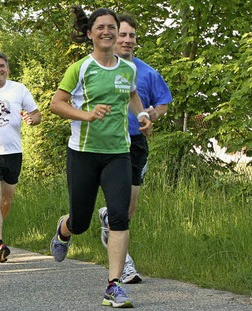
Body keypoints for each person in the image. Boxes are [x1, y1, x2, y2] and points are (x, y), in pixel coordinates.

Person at [48, 7, 152, 308]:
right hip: (83, 154)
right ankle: (64, 228)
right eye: (101, 27)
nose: (107, 32)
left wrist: (142, 114)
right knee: (80, 221)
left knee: (119, 217)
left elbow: (132, 95)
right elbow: (57, 104)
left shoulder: (127, 68)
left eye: (112, 27)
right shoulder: (80, 68)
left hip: (118, 153)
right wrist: (87, 115)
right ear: (91, 33)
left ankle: (114, 285)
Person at [98, 13, 172, 284]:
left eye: (132, 36)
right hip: (104, 143)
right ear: (112, 36)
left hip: (135, 142)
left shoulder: (148, 72)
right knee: (114, 208)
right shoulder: (96, 68)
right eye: (123, 35)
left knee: (127, 207)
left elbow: (162, 103)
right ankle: (124, 266)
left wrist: (151, 115)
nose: (127, 40)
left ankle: (107, 219)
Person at [0, 52, 42, 263]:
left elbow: (37, 114)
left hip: (13, 152)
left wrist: (32, 119)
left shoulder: (18, 89)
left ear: (7, 69)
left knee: (6, 199)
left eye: (2, 66)